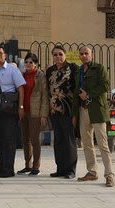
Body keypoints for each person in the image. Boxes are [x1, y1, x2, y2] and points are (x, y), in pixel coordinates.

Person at [74, 45, 114, 187]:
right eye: (82, 53)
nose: (84, 55)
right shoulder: (78, 71)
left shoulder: (99, 68)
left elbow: (105, 85)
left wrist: (88, 94)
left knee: (103, 144)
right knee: (87, 143)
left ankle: (109, 175)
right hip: (83, 110)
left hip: (97, 109)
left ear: (92, 54)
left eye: (86, 53)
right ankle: (92, 171)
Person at [0, 45, 25, 178]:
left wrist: (21, 107)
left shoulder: (12, 70)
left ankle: (9, 169)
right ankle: (1, 166)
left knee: (9, 139)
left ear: (5, 56)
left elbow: (21, 88)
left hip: (9, 110)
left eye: (0, 53)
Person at [46, 44, 79, 179]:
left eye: (60, 54)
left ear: (65, 55)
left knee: (69, 140)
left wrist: (75, 113)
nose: (58, 56)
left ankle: (70, 170)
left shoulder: (73, 68)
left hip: (68, 110)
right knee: (58, 140)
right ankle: (60, 168)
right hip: (54, 111)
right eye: (55, 54)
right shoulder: (49, 71)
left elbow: (77, 90)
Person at [17, 52, 49, 176]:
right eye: (26, 62)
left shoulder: (40, 76)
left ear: (35, 64)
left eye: (31, 62)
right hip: (24, 110)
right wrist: (20, 108)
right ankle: (27, 165)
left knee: (35, 139)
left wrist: (44, 114)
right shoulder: (23, 75)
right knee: (25, 139)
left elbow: (45, 95)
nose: (28, 64)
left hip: (36, 112)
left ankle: (36, 166)